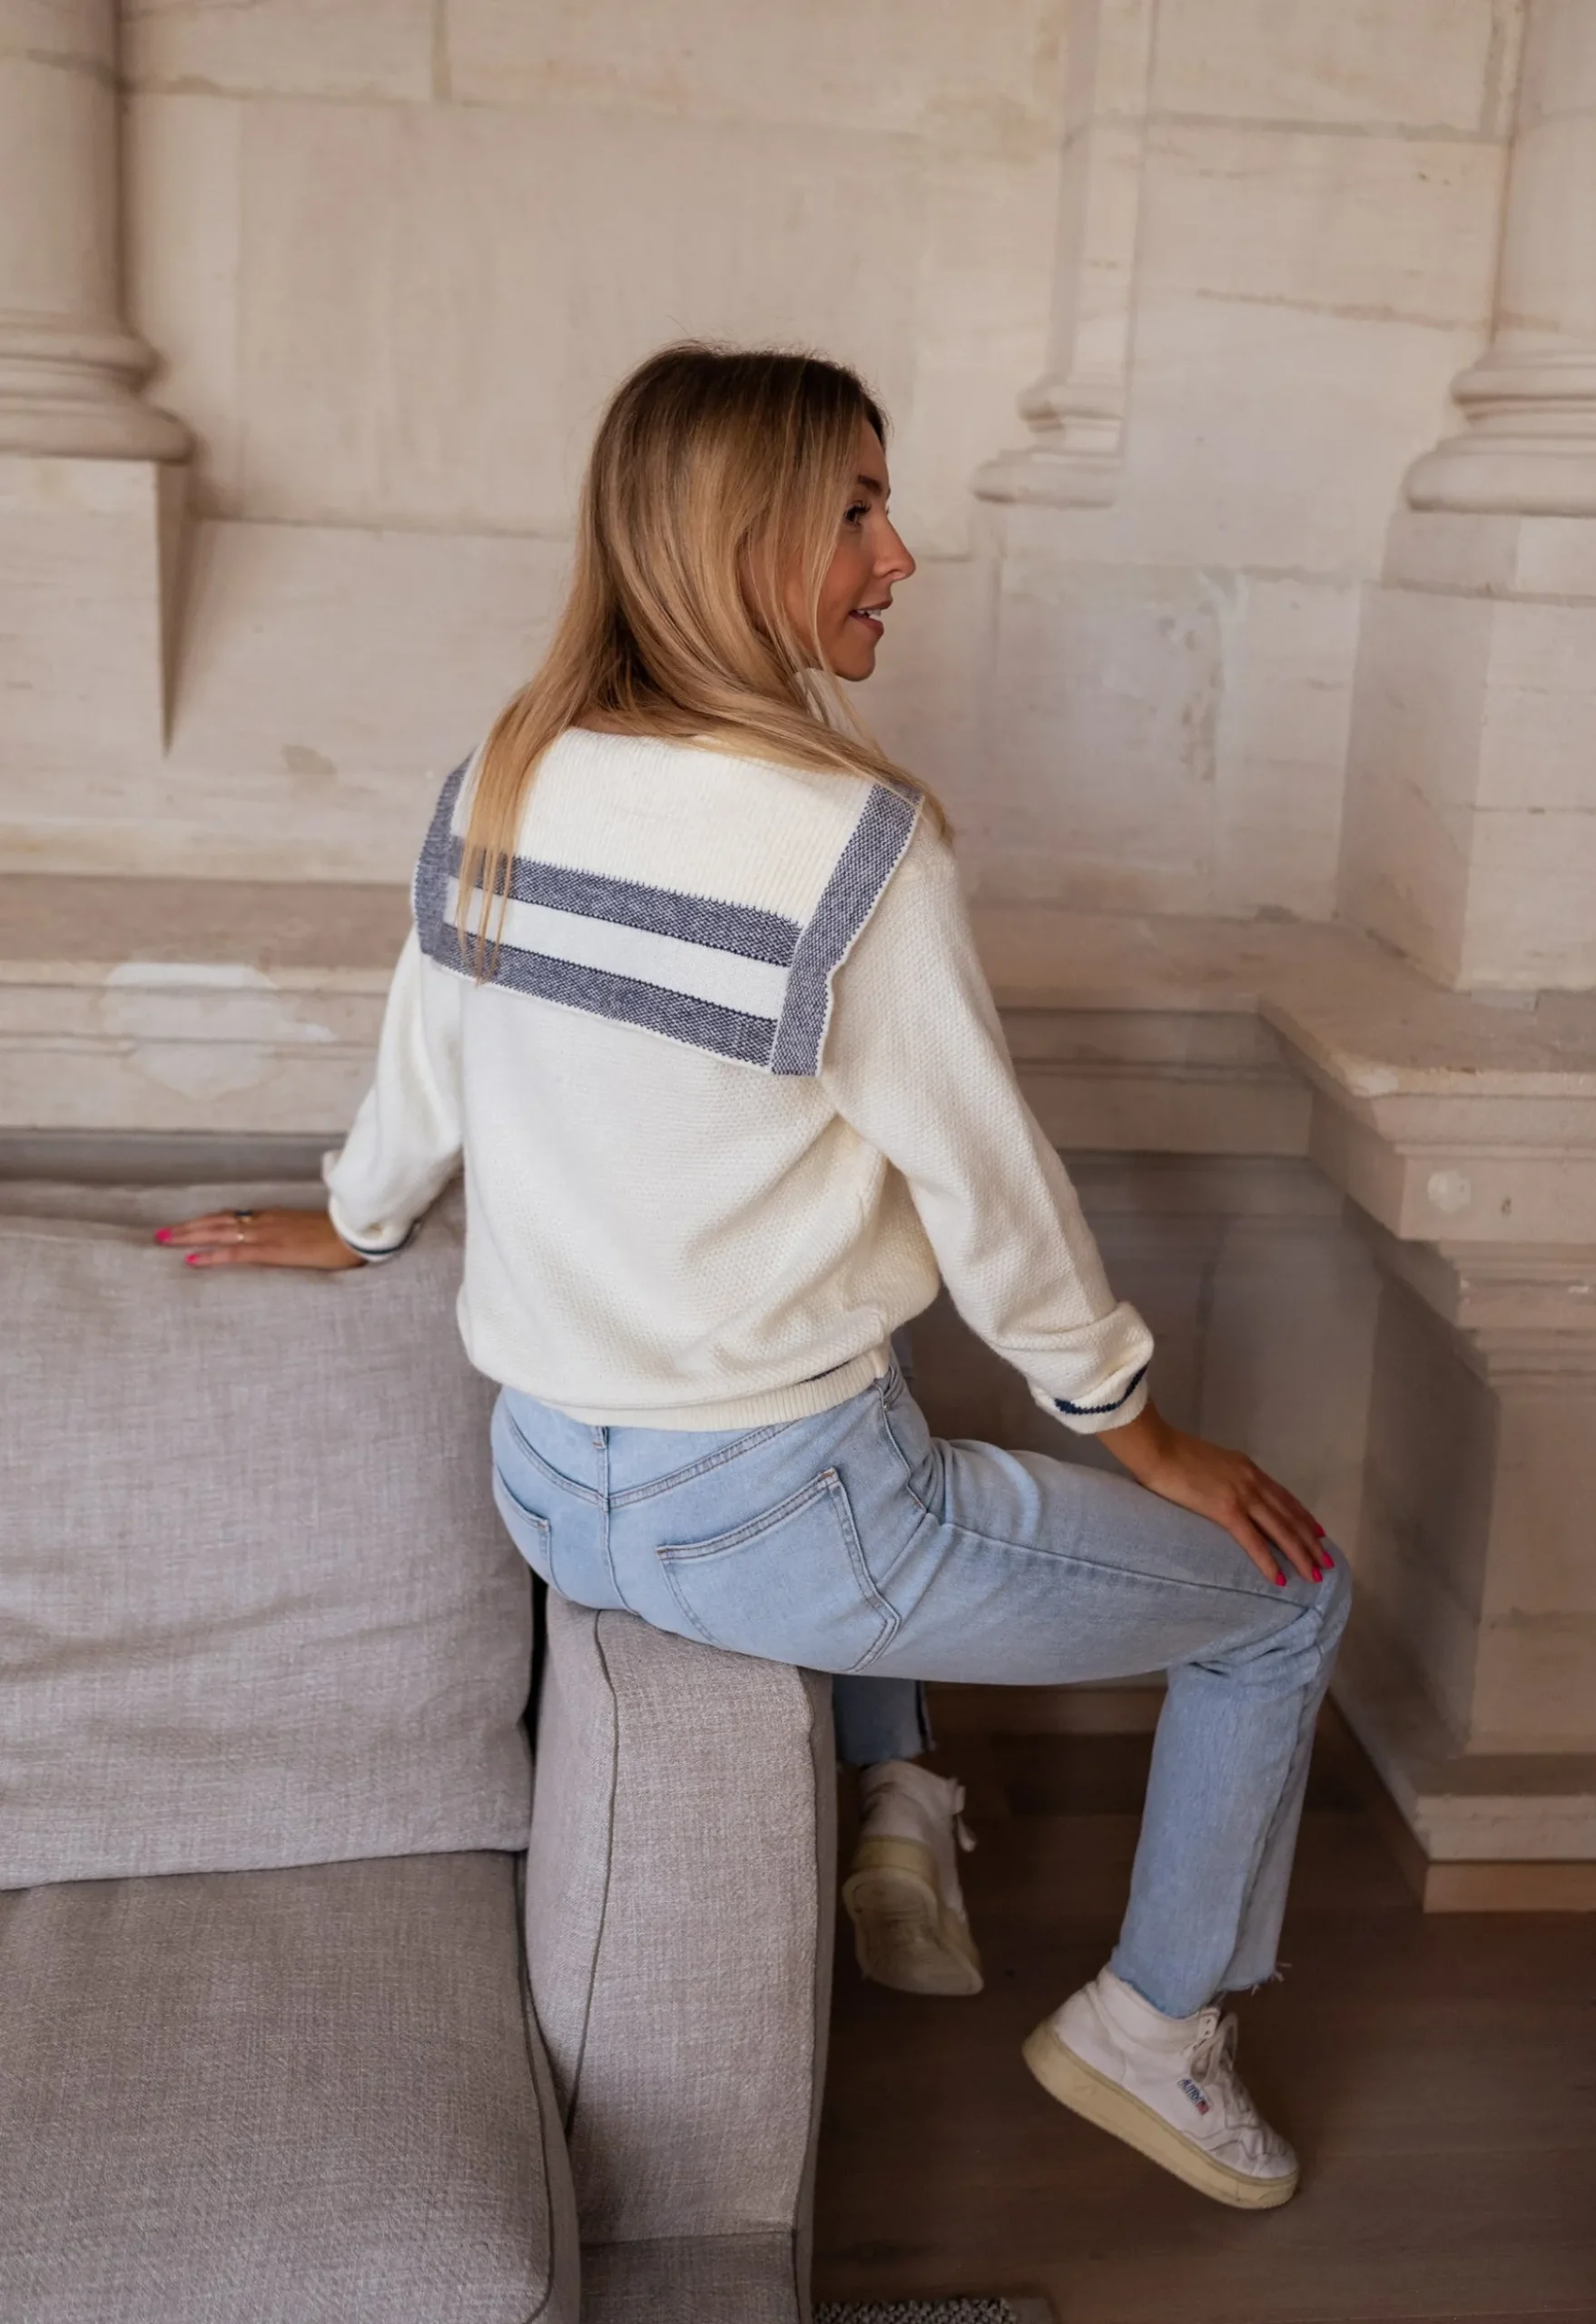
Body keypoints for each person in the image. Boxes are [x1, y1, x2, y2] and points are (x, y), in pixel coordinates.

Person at [160, 342, 1349, 2213]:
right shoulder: (856, 851)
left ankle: (900, 1795)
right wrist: (1144, 1429)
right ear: (739, 542)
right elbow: (994, 1193)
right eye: (857, 510)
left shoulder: (501, 776)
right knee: (1287, 1597)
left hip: (550, 1487)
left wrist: (356, 1222)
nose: (899, 555)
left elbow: (423, 1078)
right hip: (775, 1523)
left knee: (862, 1352)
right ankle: (1151, 2023)